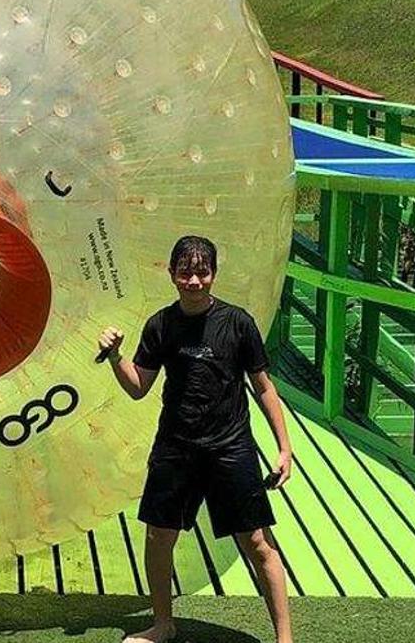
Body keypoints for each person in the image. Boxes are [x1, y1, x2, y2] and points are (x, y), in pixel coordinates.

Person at [100, 235, 295, 643]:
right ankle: (163, 624)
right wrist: (116, 357)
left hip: (230, 446)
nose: (194, 281)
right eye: (185, 272)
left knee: (259, 543)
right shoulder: (161, 325)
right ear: (171, 274)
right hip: (176, 446)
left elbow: (263, 387)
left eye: (202, 272)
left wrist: (284, 448)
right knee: (158, 535)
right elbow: (139, 386)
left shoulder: (238, 323)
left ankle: (284, 638)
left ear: (213, 275)